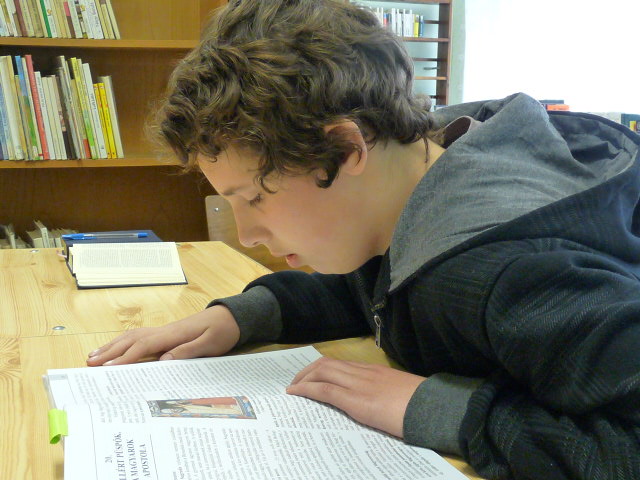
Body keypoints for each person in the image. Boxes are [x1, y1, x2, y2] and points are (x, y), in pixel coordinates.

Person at [86, 0, 640, 478]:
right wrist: (243, 317)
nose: (248, 235)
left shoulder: (514, 274)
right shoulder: (413, 185)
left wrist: (443, 411)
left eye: (253, 197)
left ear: (346, 149)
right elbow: (376, 295)